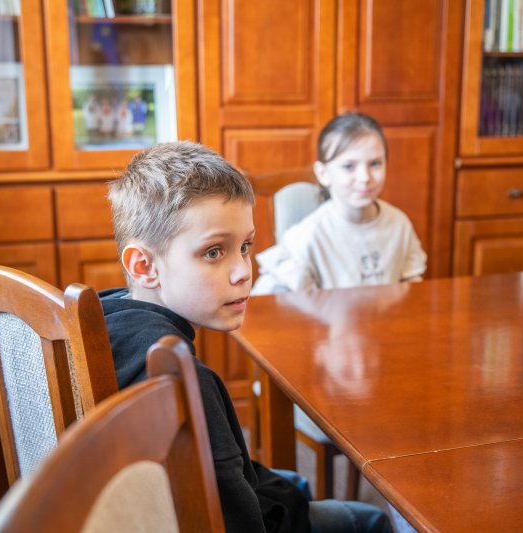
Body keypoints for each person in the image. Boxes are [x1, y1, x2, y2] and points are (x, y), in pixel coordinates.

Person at [101, 141, 393, 533]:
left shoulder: (105, 318)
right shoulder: (183, 382)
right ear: (144, 266)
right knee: (370, 519)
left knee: (293, 484)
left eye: (244, 247)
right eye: (213, 252)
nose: (243, 271)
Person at [252, 112, 427, 295]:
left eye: (375, 164)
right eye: (349, 166)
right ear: (323, 173)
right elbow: (265, 298)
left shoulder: (399, 224)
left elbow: (412, 285)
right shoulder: (306, 237)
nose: (364, 177)